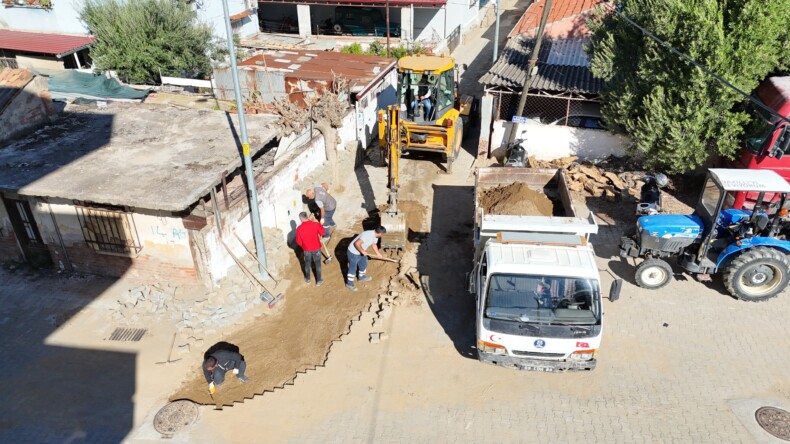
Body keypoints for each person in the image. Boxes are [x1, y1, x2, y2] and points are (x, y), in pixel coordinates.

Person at [346, 226, 386, 291]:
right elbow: (357, 243)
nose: (382, 236)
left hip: (361, 251)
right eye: (382, 234)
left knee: (363, 264)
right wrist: (362, 251)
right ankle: (349, 284)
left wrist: (378, 253)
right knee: (353, 268)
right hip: (353, 252)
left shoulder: (376, 236)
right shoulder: (367, 235)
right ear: (379, 233)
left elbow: (374, 244)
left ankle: (361, 277)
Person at [295, 211, 325, 286]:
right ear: (307, 216)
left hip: (307, 249)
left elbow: (299, 242)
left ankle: (308, 279)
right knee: (318, 264)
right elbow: (323, 233)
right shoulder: (315, 224)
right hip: (317, 248)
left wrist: (304, 246)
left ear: (300, 219)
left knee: (307, 264)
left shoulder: (299, 228)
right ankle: (318, 281)